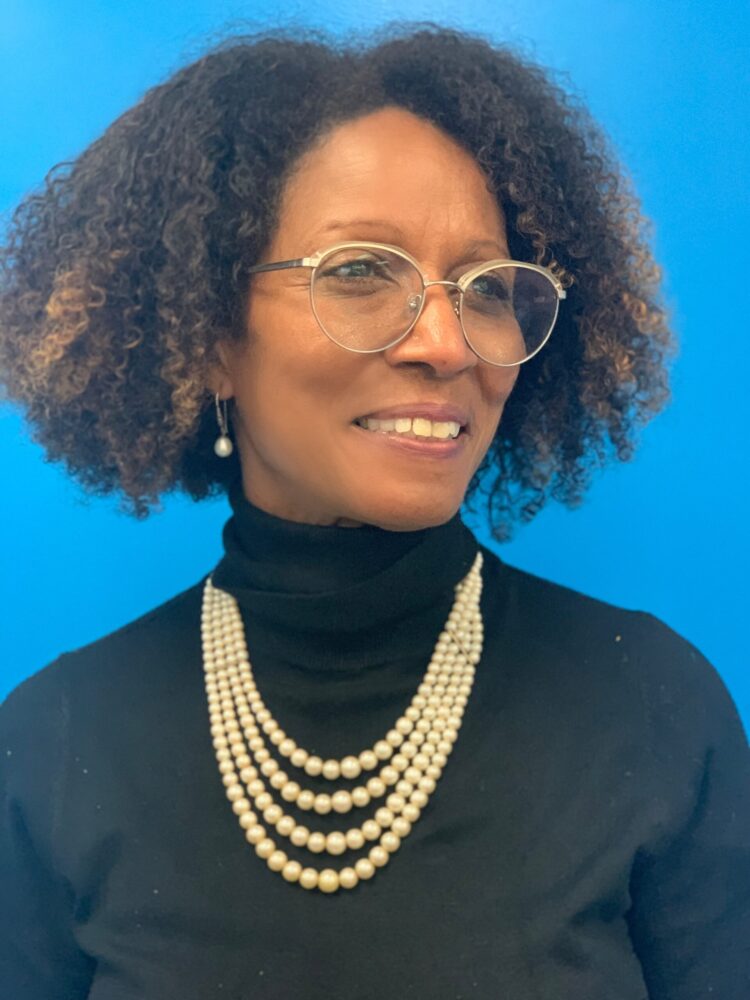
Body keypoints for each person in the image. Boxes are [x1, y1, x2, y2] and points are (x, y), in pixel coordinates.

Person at [0, 23, 748, 1000]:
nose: (446, 343)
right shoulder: (52, 747)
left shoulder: (656, 711)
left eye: (485, 288)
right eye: (360, 271)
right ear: (209, 334)